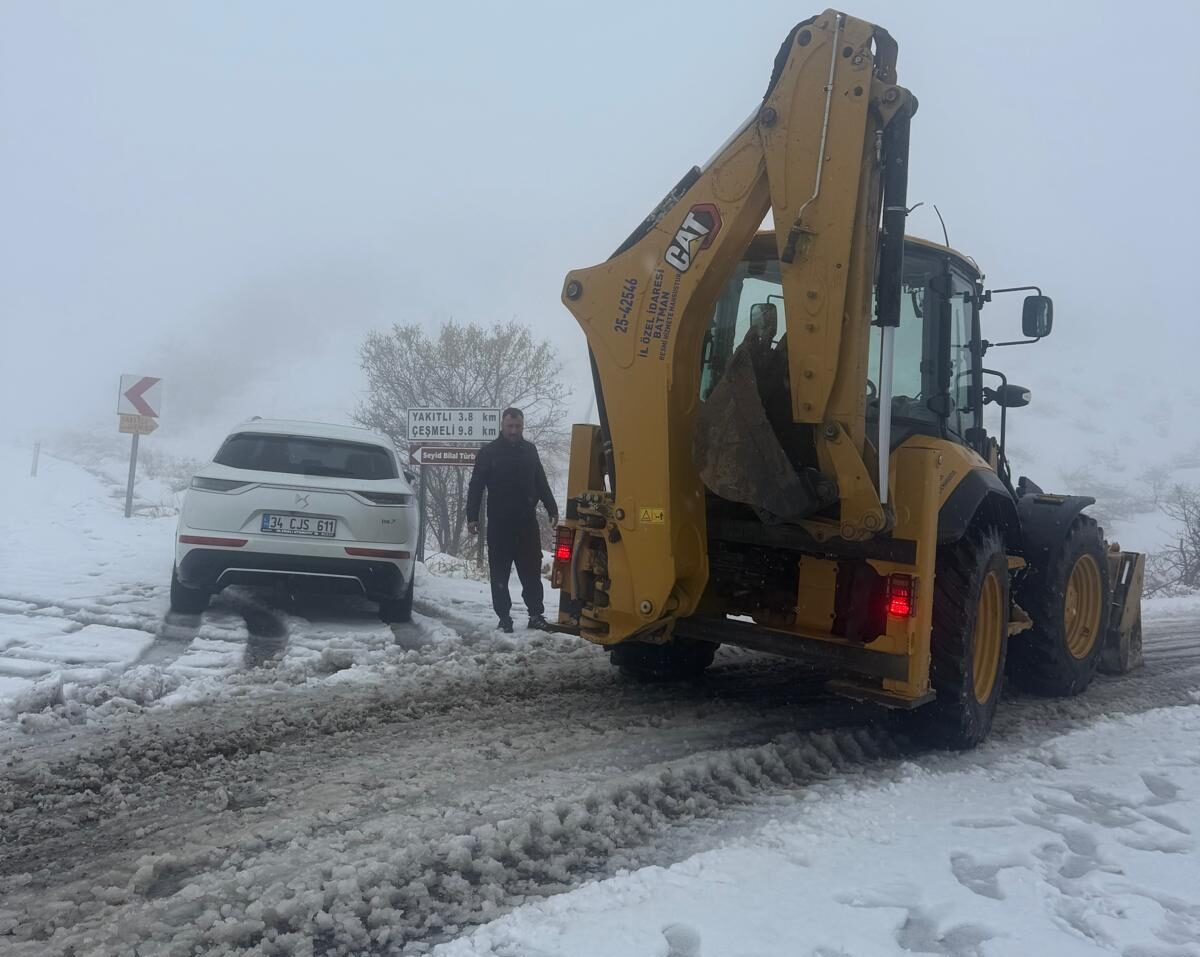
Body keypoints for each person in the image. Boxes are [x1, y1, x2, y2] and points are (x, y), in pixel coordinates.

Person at [466, 407, 558, 632]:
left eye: (518, 426)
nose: (514, 431)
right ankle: (504, 617)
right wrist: (472, 516)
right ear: (502, 425)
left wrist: (552, 508)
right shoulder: (489, 452)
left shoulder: (530, 450)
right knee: (500, 572)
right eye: (510, 426)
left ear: (523, 426)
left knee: (531, 571)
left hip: (526, 523)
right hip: (499, 524)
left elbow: (540, 481)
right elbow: (476, 485)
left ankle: (535, 614)